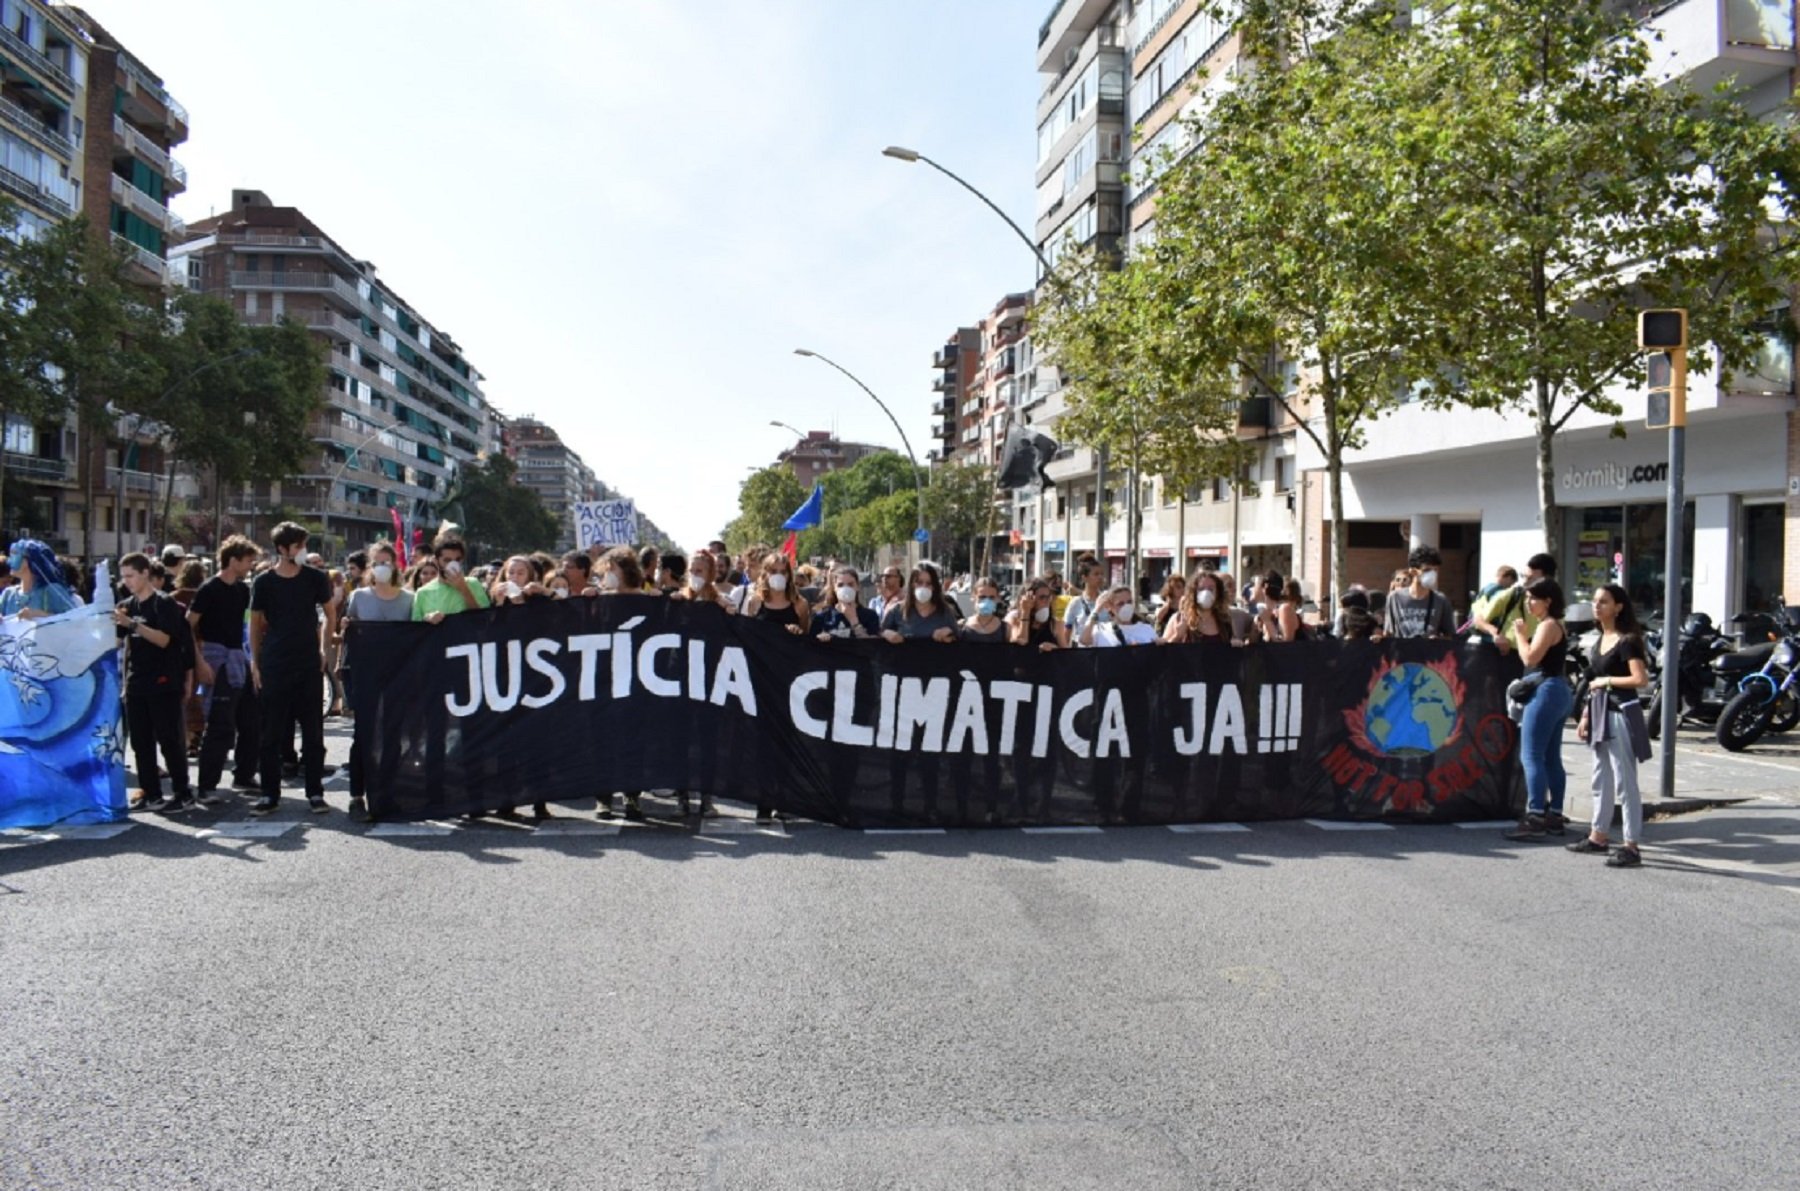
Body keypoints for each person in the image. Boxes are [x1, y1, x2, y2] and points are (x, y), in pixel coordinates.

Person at [249, 522, 337, 816]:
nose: (302, 551)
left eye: (303, 545)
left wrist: (324, 648)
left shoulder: (315, 578)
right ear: (281, 549)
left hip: (308, 662)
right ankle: (269, 794)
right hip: (275, 663)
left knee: (313, 732)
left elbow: (330, 613)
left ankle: (315, 792)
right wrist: (255, 662)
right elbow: (255, 623)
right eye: (297, 546)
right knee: (271, 732)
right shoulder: (263, 582)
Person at [1567, 583, 1651, 868]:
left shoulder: (1627, 640)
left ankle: (1631, 845)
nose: (1597, 605)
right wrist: (1587, 717)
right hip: (1601, 711)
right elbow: (1593, 685)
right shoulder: (1599, 640)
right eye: (1595, 601)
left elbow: (1640, 680)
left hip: (1622, 713)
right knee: (1600, 777)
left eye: (1604, 601)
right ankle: (1598, 836)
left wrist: (1608, 681)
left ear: (1618, 607)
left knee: (1625, 781)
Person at [115, 552, 195, 813]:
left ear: (145, 574)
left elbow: (164, 640)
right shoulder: (127, 604)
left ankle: (183, 793)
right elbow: (118, 643)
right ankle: (151, 792)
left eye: (131, 576)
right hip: (136, 682)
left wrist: (133, 625)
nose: (126, 581)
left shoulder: (164, 604)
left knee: (169, 739)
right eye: (123, 576)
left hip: (163, 681)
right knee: (140, 742)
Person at [340, 543, 415, 822]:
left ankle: (387, 791)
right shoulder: (359, 596)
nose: (383, 566)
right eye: (378, 561)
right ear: (371, 566)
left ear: (396, 565)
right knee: (363, 734)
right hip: (365, 675)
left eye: (387, 561)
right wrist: (347, 626)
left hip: (396, 676)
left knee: (393, 735)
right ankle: (357, 795)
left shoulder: (409, 599)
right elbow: (348, 633)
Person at [189, 536, 262, 805]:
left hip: (240, 660)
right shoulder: (209, 589)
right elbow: (189, 624)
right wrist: (200, 661)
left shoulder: (244, 590)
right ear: (233, 560)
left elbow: (248, 625)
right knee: (220, 726)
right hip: (216, 659)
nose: (251, 566)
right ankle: (207, 786)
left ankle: (244, 775)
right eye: (248, 560)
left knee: (251, 721)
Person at [1504, 579, 1575, 841]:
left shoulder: (1547, 625)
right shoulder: (1557, 626)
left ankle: (1535, 816)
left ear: (1548, 601)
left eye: (1533, 598)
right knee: (1551, 756)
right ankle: (1554, 815)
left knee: (1531, 755)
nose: (1528, 603)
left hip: (1547, 692)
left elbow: (1530, 658)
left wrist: (1521, 635)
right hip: (1559, 691)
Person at [597, 545, 653, 821]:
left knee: (634, 740)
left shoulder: (647, 601)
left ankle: (632, 796)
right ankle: (604, 798)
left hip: (638, 679)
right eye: (604, 570)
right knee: (603, 739)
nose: (607, 575)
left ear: (626, 571)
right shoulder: (599, 601)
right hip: (605, 679)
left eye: (612, 570)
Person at [411, 533, 490, 623]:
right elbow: (415, 631)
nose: (453, 565)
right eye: (447, 560)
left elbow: (485, 621)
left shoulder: (473, 584)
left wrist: (464, 589)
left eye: (457, 560)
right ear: (436, 562)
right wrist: (426, 619)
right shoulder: (422, 593)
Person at [1385, 547, 1456, 639]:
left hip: (1429, 652)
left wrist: (1438, 640)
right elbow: (1388, 632)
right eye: (1427, 570)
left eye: (1435, 570)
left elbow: (1449, 635)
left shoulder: (1440, 600)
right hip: (1402, 651)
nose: (1432, 574)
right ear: (1413, 571)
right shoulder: (1395, 598)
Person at [1, 539, 80, 618]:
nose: (9, 561)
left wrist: (41, 616)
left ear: (30, 561)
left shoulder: (52, 590)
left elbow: (75, 620)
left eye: (15, 555)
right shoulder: (8, 594)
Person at [880, 563, 958, 643]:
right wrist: (885, 633)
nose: (924, 587)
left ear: (934, 587)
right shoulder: (896, 611)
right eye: (919, 582)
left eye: (928, 583)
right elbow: (879, 633)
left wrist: (950, 634)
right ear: (912, 585)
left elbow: (958, 638)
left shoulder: (945, 612)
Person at [739, 551, 811, 635]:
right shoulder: (755, 601)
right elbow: (750, 634)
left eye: (783, 572)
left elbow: (806, 637)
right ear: (765, 574)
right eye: (773, 572)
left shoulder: (800, 604)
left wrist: (797, 631)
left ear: (789, 576)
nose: (779, 575)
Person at [1164, 570, 1235, 646]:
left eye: (1211, 589)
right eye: (1201, 589)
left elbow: (1231, 644)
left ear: (1218, 593)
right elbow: (1163, 653)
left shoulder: (1224, 621)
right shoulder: (1179, 619)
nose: (1206, 593)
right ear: (1194, 592)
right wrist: (1177, 636)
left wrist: (1236, 644)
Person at [1468, 565, 1529, 650]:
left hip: (1482, 631)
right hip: (1492, 636)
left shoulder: (1486, 588)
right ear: (1507, 577)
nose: (1511, 586)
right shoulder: (1499, 592)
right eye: (1512, 582)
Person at [1077, 585, 1158, 647]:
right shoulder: (1102, 630)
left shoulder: (1146, 629)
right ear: (1110, 607)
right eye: (1120, 604)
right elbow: (1084, 640)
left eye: (1129, 602)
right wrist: (1097, 609)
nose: (1126, 606)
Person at [814, 565, 880, 640]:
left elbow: (871, 648)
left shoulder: (870, 616)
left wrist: (854, 622)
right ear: (834, 588)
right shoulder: (822, 617)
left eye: (850, 584)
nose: (845, 588)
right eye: (840, 585)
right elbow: (810, 647)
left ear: (857, 587)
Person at [1062, 557, 1106, 639]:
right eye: (1096, 574)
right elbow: (1066, 634)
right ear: (1084, 577)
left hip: (1105, 649)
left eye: (1102, 574)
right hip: (1083, 649)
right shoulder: (1075, 603)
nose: (1100, 577)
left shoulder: (1108, 600)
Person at [957, 577, 1008, 643]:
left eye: (991, 597)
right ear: (973, 597)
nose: (987, 601)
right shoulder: (961, 627)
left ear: (998, 599)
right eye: (982, 597)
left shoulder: (1006, 629)